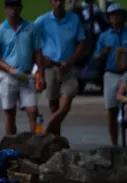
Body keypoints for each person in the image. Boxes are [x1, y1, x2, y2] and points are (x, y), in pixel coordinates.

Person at [94, 3, 127, 147]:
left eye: (118, 14)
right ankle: (115, 145)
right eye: (112, 15)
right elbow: (96, 57)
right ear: (109, 18)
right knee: (112, 110)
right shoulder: (104, 36)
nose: (116, 18)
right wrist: (103, 53)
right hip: (111, 74)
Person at [34, 0, 85, 136]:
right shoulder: (42, 20)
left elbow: (81, 43)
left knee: (66, 100)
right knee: (53, 106)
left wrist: (70, 60)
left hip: (68, 68)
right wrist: (41, 58)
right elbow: (31, 39)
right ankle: (55, 140)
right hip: (50, 68)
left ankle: (47, 130)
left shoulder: (74, 19)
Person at [0, 0, 45, 135]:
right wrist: (10, 69)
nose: (13, 9)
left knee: (32, 110)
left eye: (16, 6)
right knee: (9, 111)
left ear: (21, 8)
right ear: (5, 9)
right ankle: (10, 146)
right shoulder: (1, 30)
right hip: (7, 75)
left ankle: (36, 141)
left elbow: (38, 53)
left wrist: (41, 75)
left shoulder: (31, 28)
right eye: (10, 6)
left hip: (26, 74)